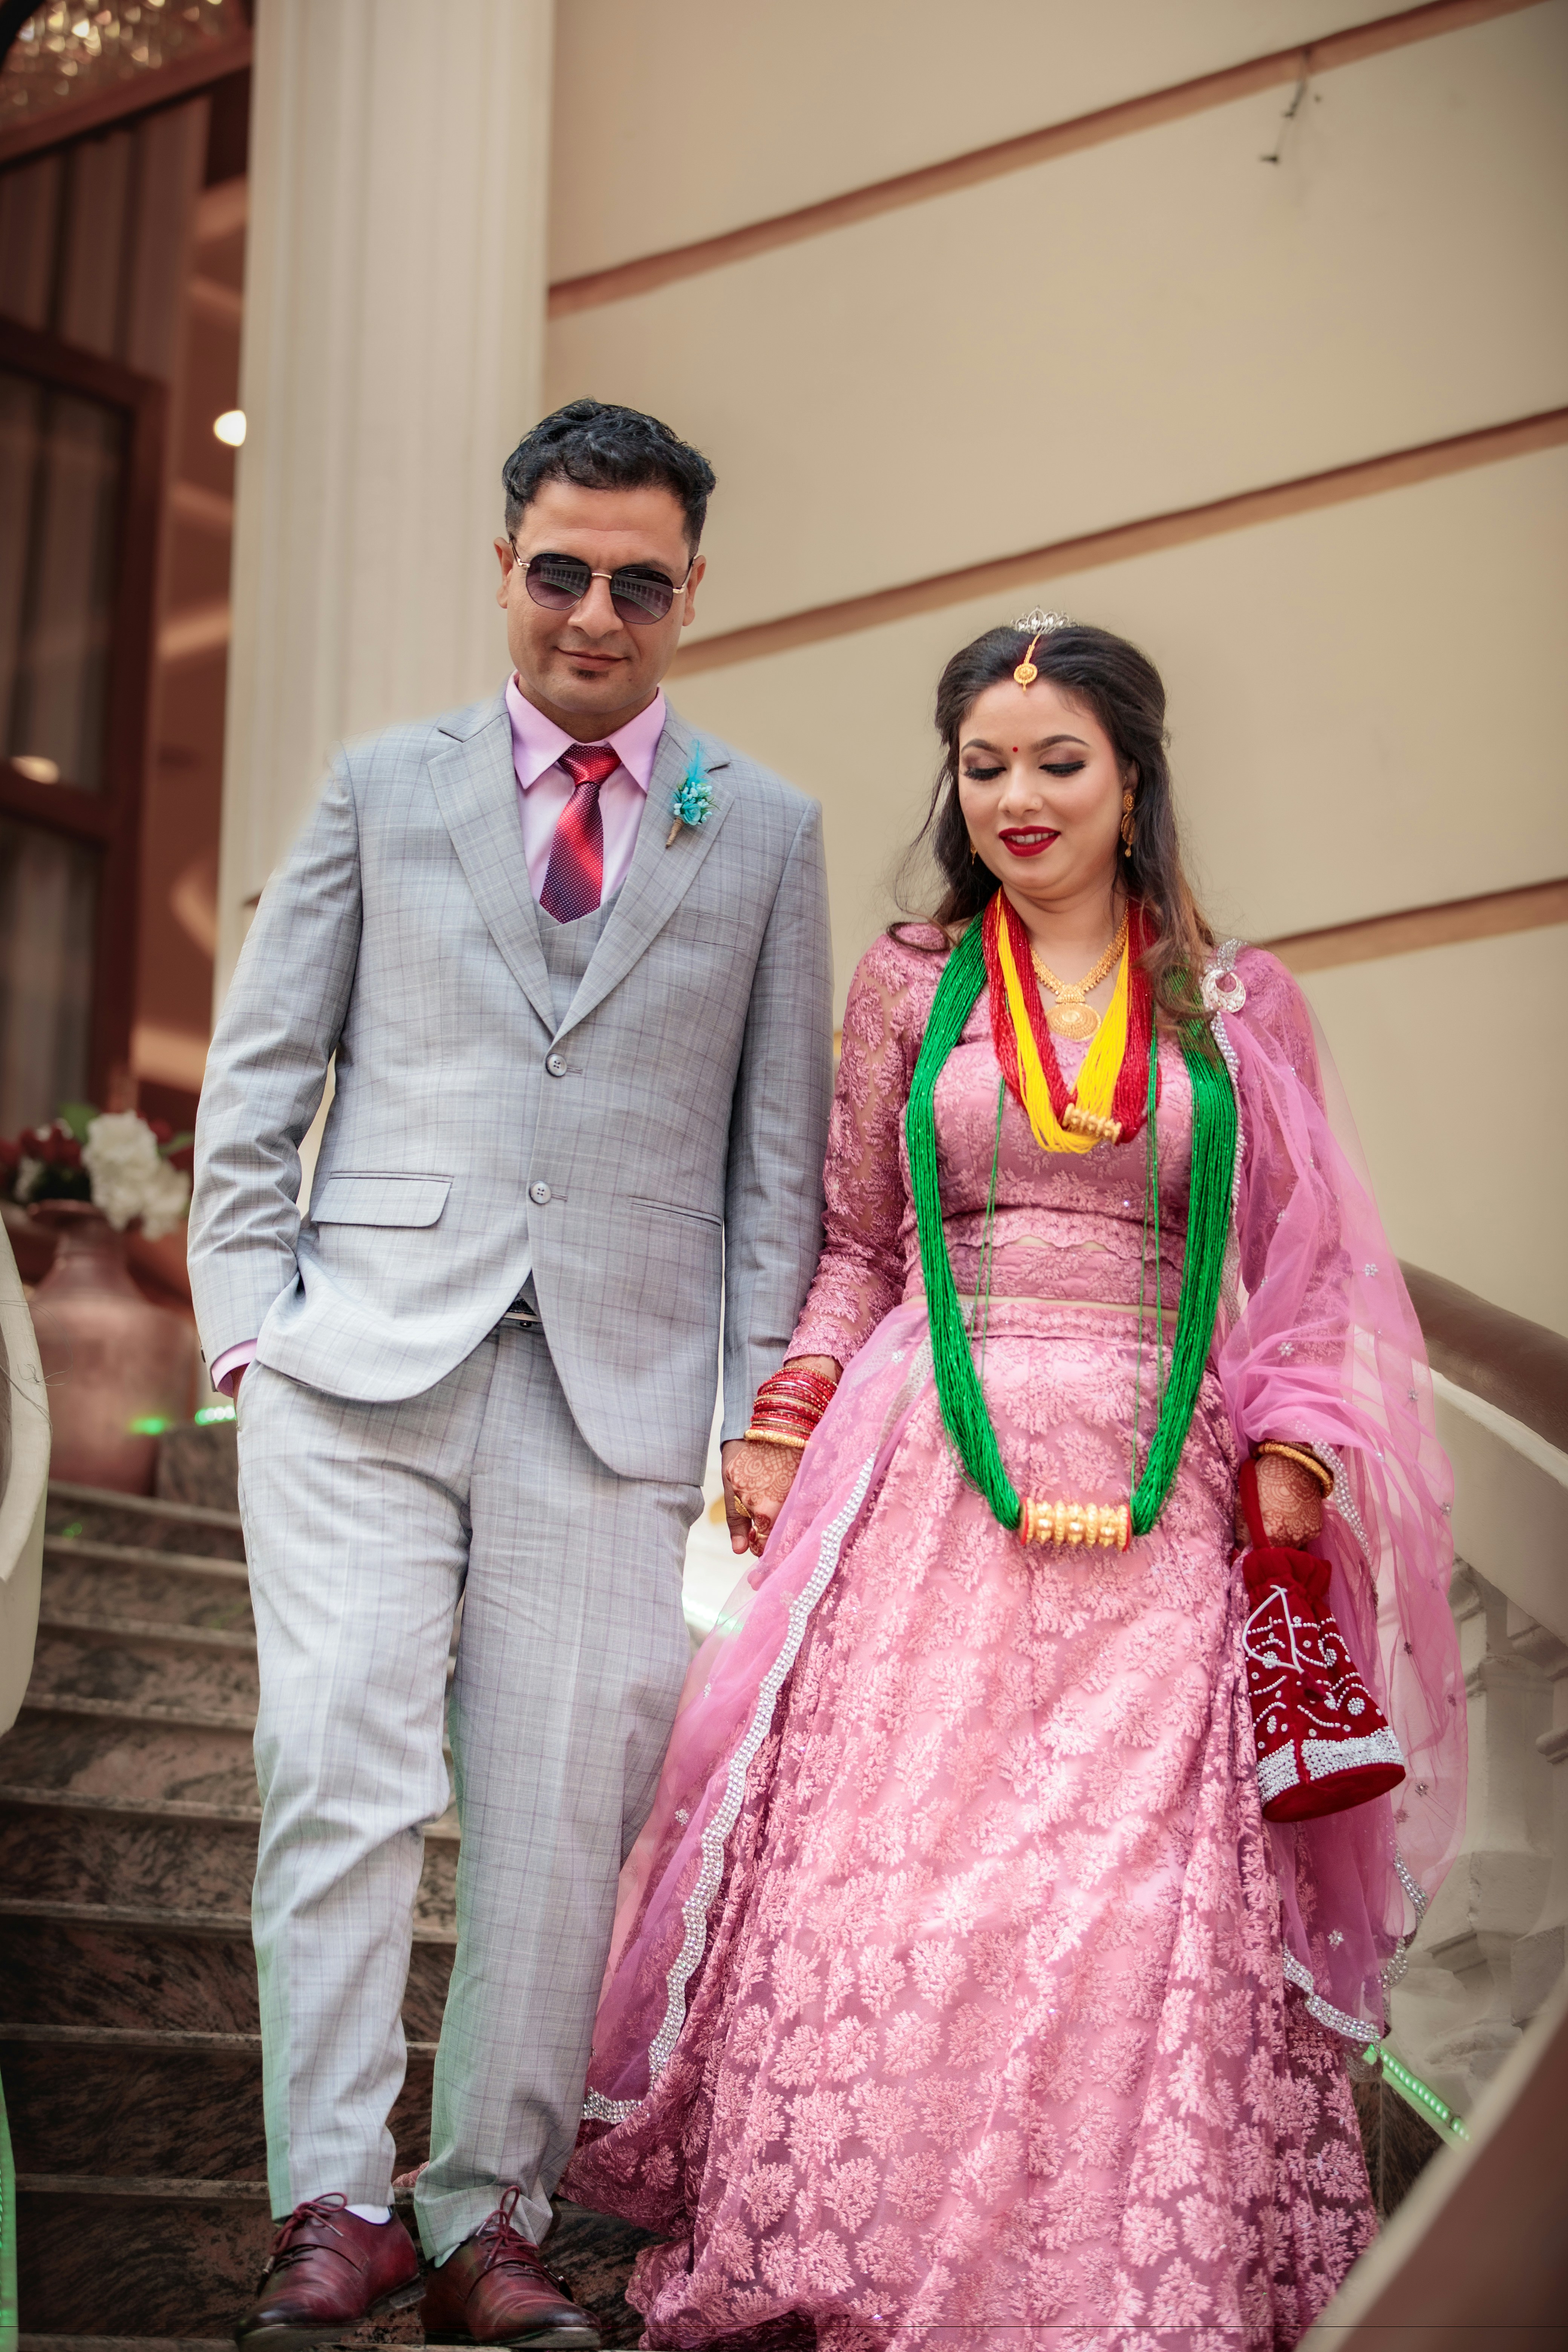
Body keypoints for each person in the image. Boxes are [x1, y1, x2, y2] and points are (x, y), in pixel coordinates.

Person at [563, 616, 1466, 2348]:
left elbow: (1307, 1267)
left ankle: (1117, 2282)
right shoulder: (913, 982)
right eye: (984, 765)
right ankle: (862, 2257)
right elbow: (851, 1243)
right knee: (895, 1879)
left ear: (1133, 780)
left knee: (1130, 1903)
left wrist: (1288, 1453)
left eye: (1058, 761)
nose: (1017, 797)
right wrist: (782, 1414)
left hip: (1162, 1492)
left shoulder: (1227, 1001)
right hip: (924, 1472)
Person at [188, 400, 833, 2351]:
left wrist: (743, 1435)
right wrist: (247, 1324)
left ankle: (490, 2224)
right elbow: (264, 1071)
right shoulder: (384, 790)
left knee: (561, 1829)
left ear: (689, 592)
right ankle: (330, 2205)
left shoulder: (767, 829)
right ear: (507, 567)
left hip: (619, 1408)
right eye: (562, 569)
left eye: (640, 580)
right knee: (337, 1777)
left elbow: (778, 1175)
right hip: (357, 1378)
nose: (596, 612)